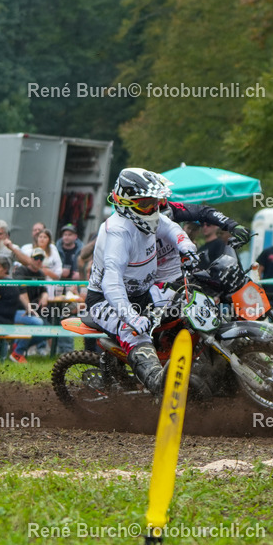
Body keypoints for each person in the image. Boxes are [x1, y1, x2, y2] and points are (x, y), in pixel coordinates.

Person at [87, 168, 197, 396]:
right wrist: (131, 317)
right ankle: (158, 384)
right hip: (107, 302)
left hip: (143, 293)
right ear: (127, 203)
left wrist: (186, 247)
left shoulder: (151, 217)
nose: (152, 209)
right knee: (134, 332)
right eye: (146, 204)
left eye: (155, 202)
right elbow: (111, 283)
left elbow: (172, 229)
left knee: (185, 304)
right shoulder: (118, 232)